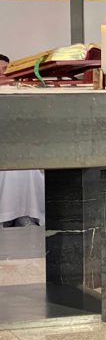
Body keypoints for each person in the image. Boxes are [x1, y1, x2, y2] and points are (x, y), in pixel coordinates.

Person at [0, 53, 45, 227]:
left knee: (27, 167)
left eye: (5, 70)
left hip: (19, 151)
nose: (2, 74)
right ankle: (6, 218)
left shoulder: (22, 94)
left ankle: (26, 215)